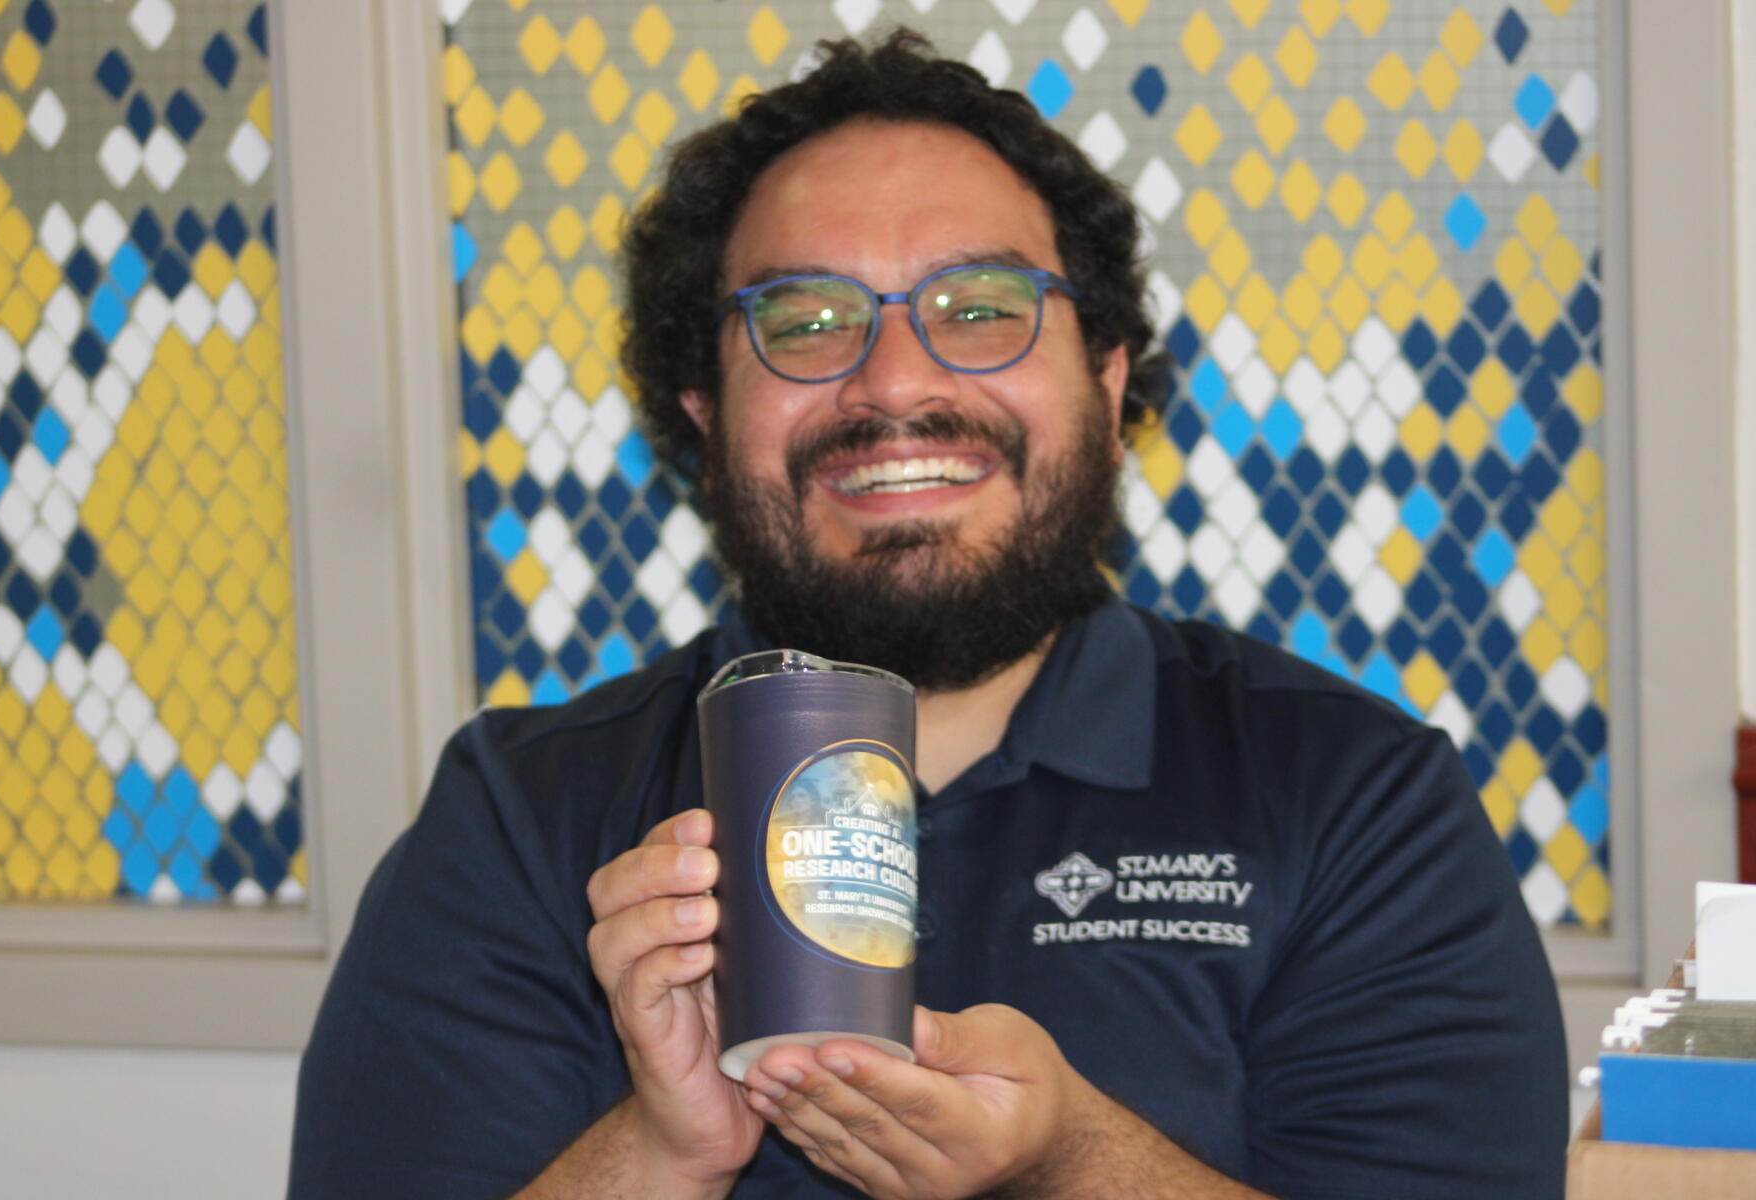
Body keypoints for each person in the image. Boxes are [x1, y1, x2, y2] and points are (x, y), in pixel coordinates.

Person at [289, 29, 1567, 1200]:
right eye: (805, 321)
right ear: (702, 410)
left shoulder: (1354, 800)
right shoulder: (523, 819)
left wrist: (1072, 1157)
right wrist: (661, 1146)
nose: (895, 381)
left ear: (1108, 387)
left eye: (981, 310)